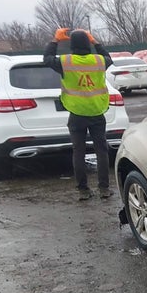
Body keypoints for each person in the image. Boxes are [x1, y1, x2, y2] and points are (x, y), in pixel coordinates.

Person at [44, 28, 114, 200]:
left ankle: (83, 190)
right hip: (97, 111)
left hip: (76, 113)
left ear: (72, 45)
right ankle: (104, 189)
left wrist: (55, 40)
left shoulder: (65, 62)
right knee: (101, 151)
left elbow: (47, 59)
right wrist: (96, 41)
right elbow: (109, 58)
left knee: (79, 152)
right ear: (87, 43)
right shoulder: (98, 61)